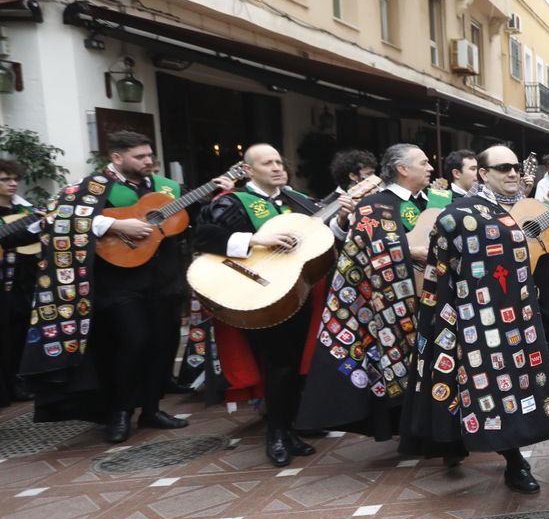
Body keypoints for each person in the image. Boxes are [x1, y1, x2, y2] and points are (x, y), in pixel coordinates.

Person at [19, 131, 219, 441]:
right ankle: (120, 412)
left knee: (162, 345)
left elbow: (196, 216)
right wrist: (115, 224)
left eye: (150, 155)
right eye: (139, 157)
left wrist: (218, 194)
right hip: (119, 283)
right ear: (117, 158)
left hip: (164, 280)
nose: (148, 161)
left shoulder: (166, 188)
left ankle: (152, 410)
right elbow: (60, 217)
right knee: (131, 342)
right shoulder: (93, 187)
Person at [399, 144, 549, 491]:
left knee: (515, 387)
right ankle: (513, 460)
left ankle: (510, 455)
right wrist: (450, 323)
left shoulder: (513, 210)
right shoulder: (456, 215)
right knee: (488, 387)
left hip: (519, 320)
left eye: (516, 167)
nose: (513, 173)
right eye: (503, 167)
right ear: (483, 174)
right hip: (475, 323)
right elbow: (439, 273)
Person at [193, 144, 343, 465]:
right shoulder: (233, 201)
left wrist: (341, 218)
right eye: (267, 163)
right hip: (257, 292)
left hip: (295, 291)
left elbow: (321, 237)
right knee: (279, 365)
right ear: (248, 171)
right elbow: (202, 236)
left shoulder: (297, 200)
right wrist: (254, 240)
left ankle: (288, 430)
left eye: (279, 161)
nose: (277, 167)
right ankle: (276, 433)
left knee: (291, 365)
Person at [296, 143, 430, 442]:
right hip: (390, 305)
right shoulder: (375, 204)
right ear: (402, 169)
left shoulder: (429, 202)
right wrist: (413, 251)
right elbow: (367, 250)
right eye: (423, 162)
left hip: (428, 300)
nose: (431, 168)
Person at [0, 156, 38, 405]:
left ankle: (18, 383)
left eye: (14, 179)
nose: (12, 184)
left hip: (22, 283)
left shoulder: (24, 210)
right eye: (5, 180)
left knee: (19, 336)